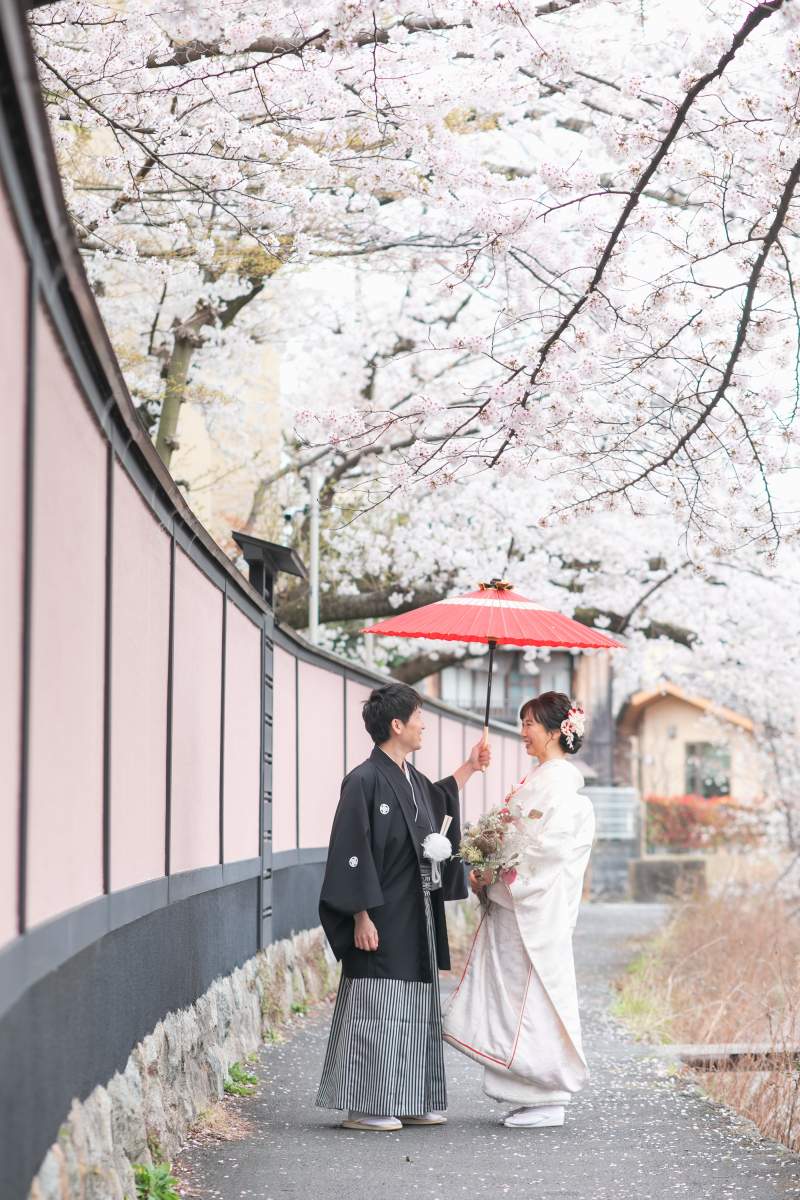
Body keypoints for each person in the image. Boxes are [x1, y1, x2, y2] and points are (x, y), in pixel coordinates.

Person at [316, 682, 491, 1132]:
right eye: (418, 716)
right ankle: (365, 1104)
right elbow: (350, 850)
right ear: (397, 725)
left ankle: (410, 1096)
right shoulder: (364, 779)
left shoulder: (409, 778)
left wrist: (470, 767)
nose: (423, 724)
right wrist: (360, 915)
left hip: (416, 909)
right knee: (378, 1003)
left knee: (414, 1002)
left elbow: (438, 800)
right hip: (379, 912)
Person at [441, 691, 595, 1129]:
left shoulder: (561, 784)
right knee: (514, 999)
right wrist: (485, 863)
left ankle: (549, 1094)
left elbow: (548, 851)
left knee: (533, 1000)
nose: (522, 731)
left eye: (529, 724)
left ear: (553, 731)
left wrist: (497, 871)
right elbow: (512, 838)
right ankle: (530, 1091)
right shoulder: (540, 778)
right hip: (515, 910)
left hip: (534, 913)